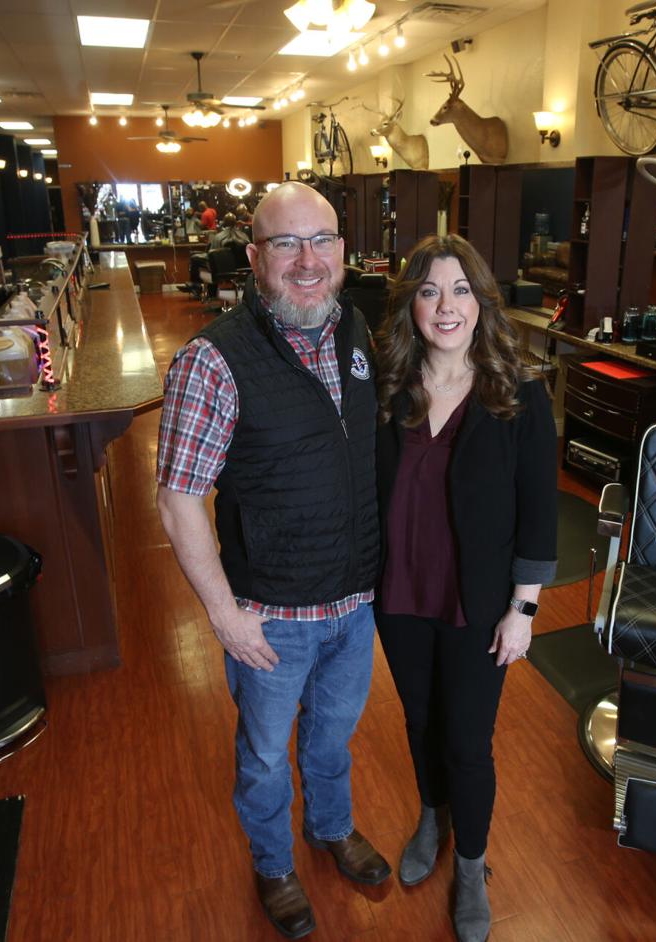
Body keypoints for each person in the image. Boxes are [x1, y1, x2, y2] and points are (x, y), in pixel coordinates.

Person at [156, 182, 388, 940]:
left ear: (343, 253)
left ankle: (331, 826)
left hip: (352, 605)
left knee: (331, 737)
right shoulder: (213, 359)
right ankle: (274, 865)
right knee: (261, 758)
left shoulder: (355, 330)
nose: (307, 261)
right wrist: (224, 615)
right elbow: (179, 499)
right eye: (286, 244)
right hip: (271, 620)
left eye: (321, 241)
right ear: (254, 257)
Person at [373, 234, 557, 942]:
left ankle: (472, 865)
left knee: (468, 742)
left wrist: (524, 608)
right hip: (399, 595)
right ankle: (431, 817)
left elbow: (539, 510)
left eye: (459, 291)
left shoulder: (519, 393)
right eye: (428, 292)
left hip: (477, 604)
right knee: (420, 723)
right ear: (411, 306)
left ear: (481, 302)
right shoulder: (389, 387)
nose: (445, 307)